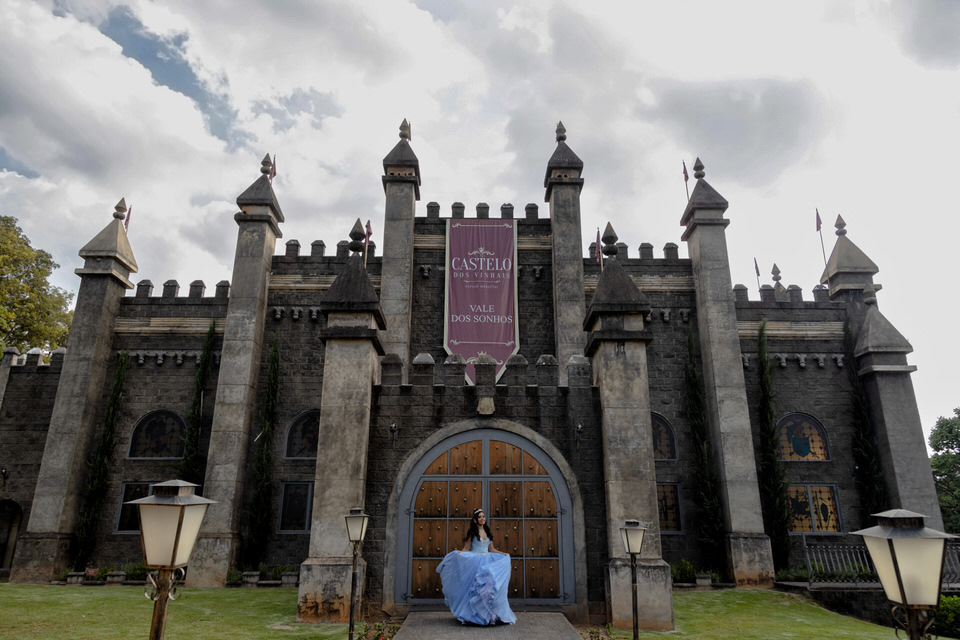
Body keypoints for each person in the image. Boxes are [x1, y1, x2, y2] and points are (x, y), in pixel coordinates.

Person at [436, 508, 517, 625]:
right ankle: (475, 616)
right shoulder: (472, 533)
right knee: (476, 590)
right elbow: (466, 548)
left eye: (483, 517)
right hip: (475, 563)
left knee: (488, 589)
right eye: (480, 517)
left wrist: (503, 554)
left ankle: (489, 616)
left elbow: (492, 549)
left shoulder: (488, 532)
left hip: (488, 562)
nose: (482, 519)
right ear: (475, 520)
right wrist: (457, 554)